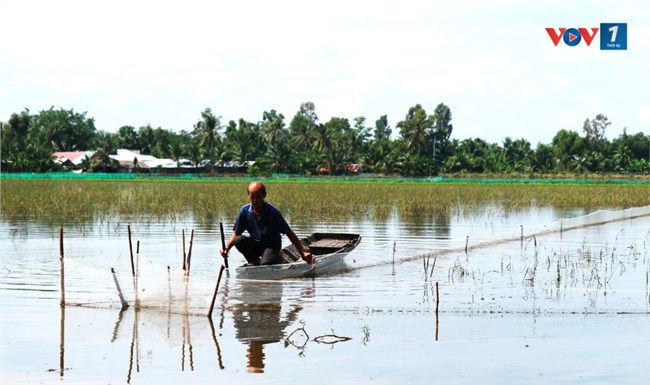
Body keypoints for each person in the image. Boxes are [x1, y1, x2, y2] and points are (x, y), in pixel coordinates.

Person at [220, 181, 313, 266]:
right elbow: (236, 233)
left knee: (265, 263)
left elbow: (289, 232)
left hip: (271, 246)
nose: (255, 200)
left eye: (258, 196)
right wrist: (226, 249)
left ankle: (274, 259)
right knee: (239, 240)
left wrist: (302, 252)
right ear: (248, 195)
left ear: (264, 195)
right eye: (252, 197)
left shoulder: (273, 212)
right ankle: (254, 262)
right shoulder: (244, 211)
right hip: (256, 244)